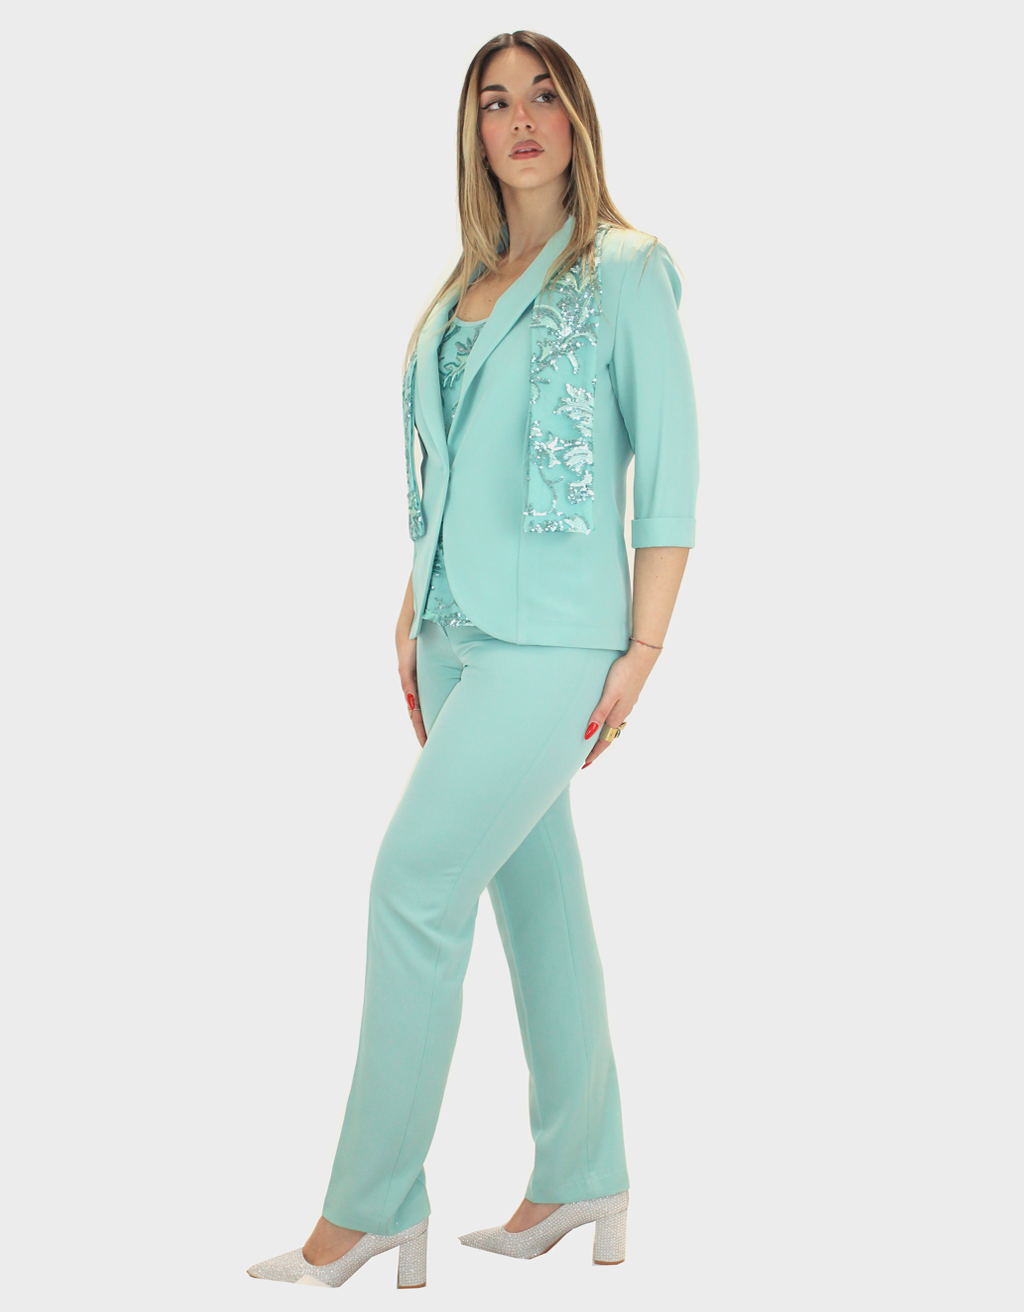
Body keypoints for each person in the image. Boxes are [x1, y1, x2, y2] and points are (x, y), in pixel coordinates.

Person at [247, 28, 699, 1291]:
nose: (520, 120)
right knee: (533, 899)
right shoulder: (463, 286)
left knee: (412, 884)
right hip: (451, 640)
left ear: (577, 118)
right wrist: (411, 603)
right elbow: (457, 469)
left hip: (556, 646)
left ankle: (370, 1204)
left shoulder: (626, 270)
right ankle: (584, 1168)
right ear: (474, 132)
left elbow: (669, 479)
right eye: (495, 102)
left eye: (543, 96)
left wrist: (644, 647)